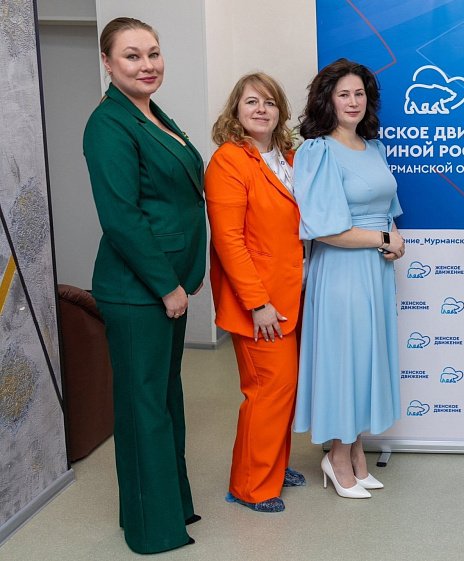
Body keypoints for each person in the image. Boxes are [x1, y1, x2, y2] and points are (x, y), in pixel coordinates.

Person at [83, 17, 205, 553]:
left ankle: (168, 508)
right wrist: (166, 286)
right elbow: (122, 218)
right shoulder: (107, 124)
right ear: (108, 63)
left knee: (163, 399)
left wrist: (187, 273)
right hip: (137, 291)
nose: (147, 65)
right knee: (143, 409)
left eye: (153, 53)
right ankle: (151, 530)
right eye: (132, 56)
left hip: (167, 283)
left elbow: (177, 199)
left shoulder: (151, 113)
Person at [292, 58, 405, 499]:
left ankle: (356, 452)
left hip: (374, 271)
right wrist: (383, 238)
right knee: (345, 361)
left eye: (359, 94)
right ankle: (337, 457)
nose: (353, 101)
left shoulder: (373, 148)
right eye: (344, 94)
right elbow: (324, 228)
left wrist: (393, 239)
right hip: (341, 271)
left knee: (363, 360)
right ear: (328, 100)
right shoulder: (317, 151)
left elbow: (388, 210)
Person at [205, 73, 305, 513]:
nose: (261, 109)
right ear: (236, 110)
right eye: (251, 102)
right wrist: (258, 303)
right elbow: (229, 240)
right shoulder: (229, 161)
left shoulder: (288, 157)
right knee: (268, 388)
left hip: (293, 292)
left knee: (284, 387)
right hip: (261, 302)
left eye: (270, 102)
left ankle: (273, 465)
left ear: (281, 111)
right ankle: (251, 485)